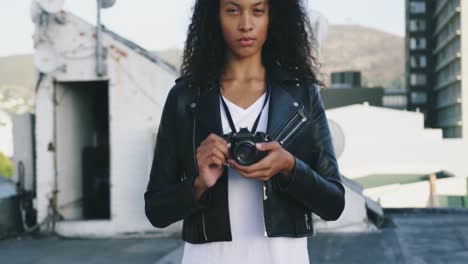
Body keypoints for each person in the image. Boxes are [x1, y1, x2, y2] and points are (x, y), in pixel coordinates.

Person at [144, 0, 346, 263]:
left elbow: (334, 204)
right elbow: (156, 211)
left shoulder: (301, 95)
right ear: (214, 16)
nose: (246, 24)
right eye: (233, 10)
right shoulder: (185, 97)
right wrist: (198, 184)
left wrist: (290, 167)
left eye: (258, 10)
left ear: (273, 16)